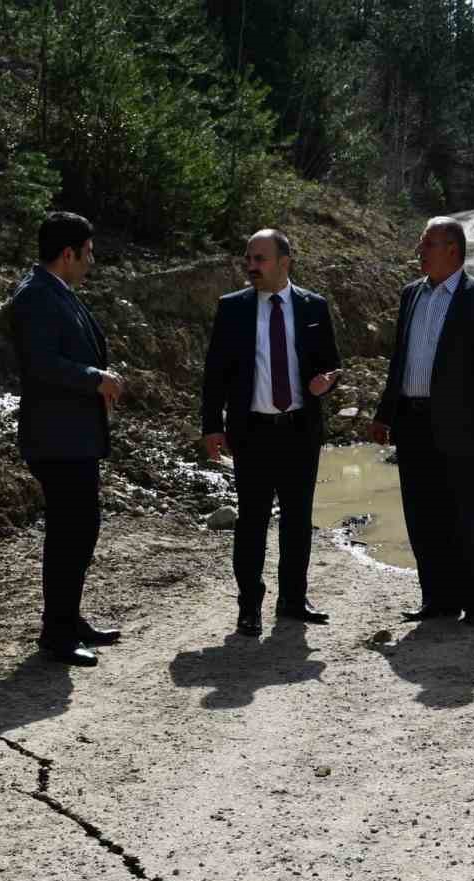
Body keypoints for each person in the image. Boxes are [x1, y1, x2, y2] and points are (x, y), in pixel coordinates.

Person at [369, 217, 474, 627]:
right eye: (422, 244)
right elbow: (399, 361)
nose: (420, 251)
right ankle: (437, 599)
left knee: (463, 513)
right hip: (413, 422)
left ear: (452, 249)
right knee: (422, 513)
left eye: (427, 244)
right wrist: (385, 414)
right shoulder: (410, 295)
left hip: (463, 425)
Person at [201, 229, 342, 635]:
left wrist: (326, 382)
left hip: (300, 428)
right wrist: (212, 425)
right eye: (249, 258)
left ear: (285, 261)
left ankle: (293, 601)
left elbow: (331, 364)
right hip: (253, 431)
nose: (251, 266)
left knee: (298, 520)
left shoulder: (314, 306)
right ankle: (250, 606)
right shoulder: (233, 309)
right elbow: (215, 374)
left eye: (260, 258)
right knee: (252, 522)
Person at [9, 212, 124, 667]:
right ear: (68, 252)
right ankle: (56, 634)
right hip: (55, 438)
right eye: (89, 252)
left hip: (73, 435)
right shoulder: (36, 296)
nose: (92, 261)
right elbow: (40, 364)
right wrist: (95, 378)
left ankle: (69, 619)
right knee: (67, 534)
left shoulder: (57, 292)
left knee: (80, 529)